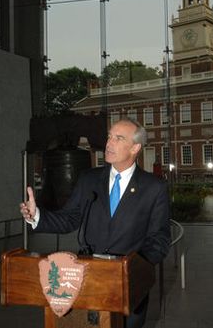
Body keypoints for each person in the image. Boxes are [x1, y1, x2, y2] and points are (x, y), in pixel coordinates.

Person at [20, 118, 171, 328]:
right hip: (88, 279)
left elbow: (160, 238)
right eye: (109, 136)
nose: (109, 143)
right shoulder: (88, 179)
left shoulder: (154, 187)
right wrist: (37, 215)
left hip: (129, 284)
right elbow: (69, 218)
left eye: (119, 138)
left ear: (135, 147)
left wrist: (135, 268)